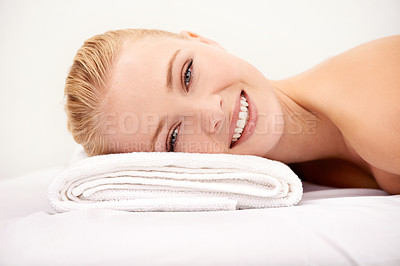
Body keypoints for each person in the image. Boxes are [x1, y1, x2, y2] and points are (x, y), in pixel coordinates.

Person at [64, 29, 400, 194]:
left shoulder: (378, 105)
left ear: (204, 41)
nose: (212, 112)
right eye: (175, 136)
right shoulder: (302, 168)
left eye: (187, 74)